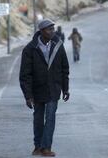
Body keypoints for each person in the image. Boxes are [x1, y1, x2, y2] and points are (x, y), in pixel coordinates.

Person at [19, 19, 70, 157]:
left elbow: (65, 68)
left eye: (53, 29)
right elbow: (25, 75)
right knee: (38, 117)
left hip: (54, 88)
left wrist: (65, 89)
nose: (52, 32)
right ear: (41, 31)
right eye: (49, 29)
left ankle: (46, 147)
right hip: (37, 89)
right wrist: (28, 96)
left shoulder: (58, 45)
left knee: (51, 117)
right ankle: (37, 146)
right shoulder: (30, 49)